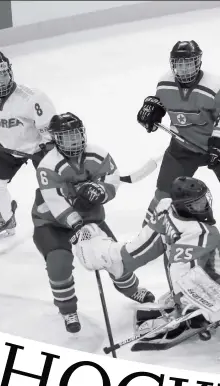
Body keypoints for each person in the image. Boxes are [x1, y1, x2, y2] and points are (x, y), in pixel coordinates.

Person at [71, 176, 220, 363]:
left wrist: (108, 255)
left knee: (188, 293)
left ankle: (188, 308)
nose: (205, 206)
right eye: (197, 204)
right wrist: (201, 305)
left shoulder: (167, 210)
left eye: (204, 200)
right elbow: (180, 269)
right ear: (183, 207)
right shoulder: (200, 232)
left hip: (195, 289)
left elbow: (145, 248)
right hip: (215, 289)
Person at [136, 40, 220, 243]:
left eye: (188, 63)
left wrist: (217, 143)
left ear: (198, 62)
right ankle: (144, 238)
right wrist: (153, 111)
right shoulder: (164, 84)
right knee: (163, 195)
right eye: (179, 64)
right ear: (172, 64)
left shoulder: (217, 86)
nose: (184, 68)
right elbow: (163, 104)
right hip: (182, 147)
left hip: (219, 146)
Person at [32, 112, 155, 333]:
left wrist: (102, 192)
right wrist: (77, 225)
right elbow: (55, 201)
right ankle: (68, 309)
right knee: (58, 264)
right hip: (52, 222)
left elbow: (112, 179)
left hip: (89, 218)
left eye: (76, 134)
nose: (74, 140)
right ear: (56, 139)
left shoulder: (97, 154)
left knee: (114, 256)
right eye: (67, 136)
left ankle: (131, 289)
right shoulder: (48, 165)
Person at [0, 51, 56, 240]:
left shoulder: (32, 98)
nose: (1, 80)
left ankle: (64, 217)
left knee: (53, 186)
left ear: (10, 71)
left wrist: (48, 152)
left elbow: (50, 131)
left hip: (38, 147)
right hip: (6, 145)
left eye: (4, 74)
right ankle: (6, 219)